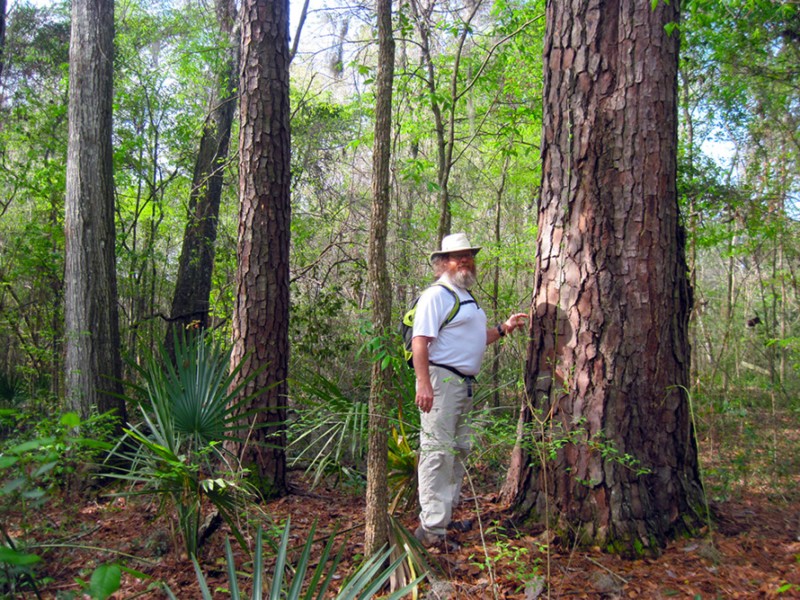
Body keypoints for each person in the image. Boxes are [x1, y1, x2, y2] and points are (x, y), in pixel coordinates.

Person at [412, 232, 528, 549]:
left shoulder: (465, 297)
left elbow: (475, 339)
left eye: (468, 255)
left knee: (458, 450)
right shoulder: (436, 295)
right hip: (441, 382)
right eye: (457, 256)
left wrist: (503, 329)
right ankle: (431, 530)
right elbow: (420, 341)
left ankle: (444, 519)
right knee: (437, 452)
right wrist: (424, 383)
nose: (464, 260)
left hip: (464, 385)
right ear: (443, 263)